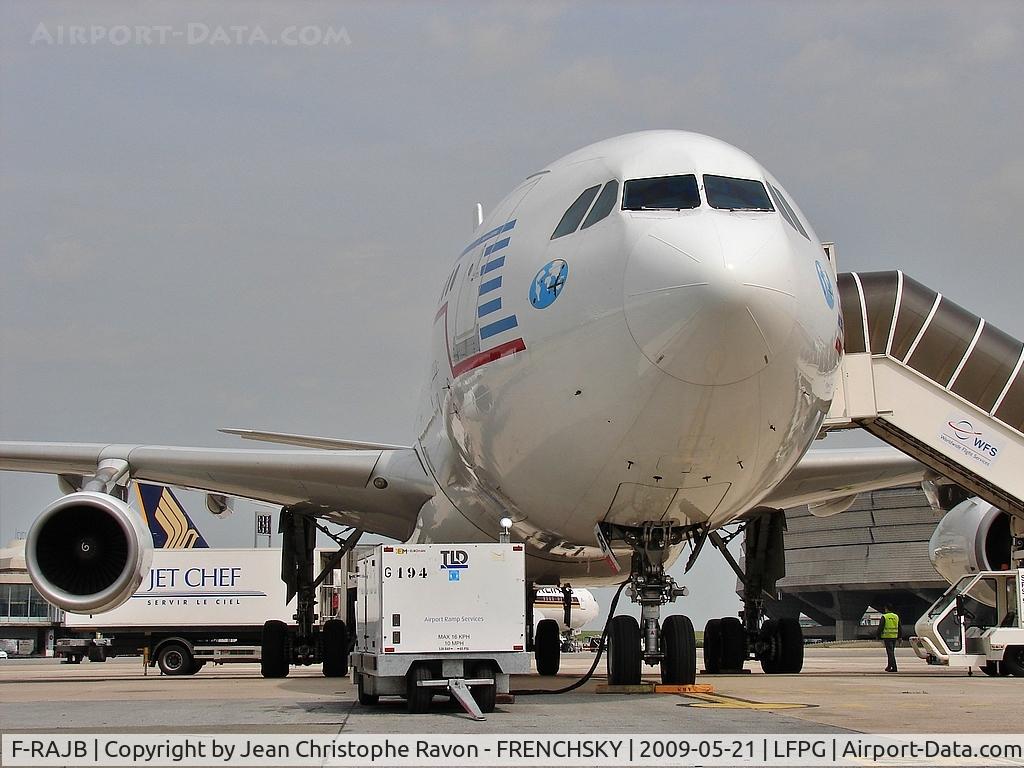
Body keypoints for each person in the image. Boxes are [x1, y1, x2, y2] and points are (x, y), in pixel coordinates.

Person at [877, 604, 901, 672]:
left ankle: (894, 667)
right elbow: (899, 627)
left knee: (890, 653)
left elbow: (880, 627)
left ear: (886, 609)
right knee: (891, 652)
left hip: (887, 637)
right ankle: (889, 666)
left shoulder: (884, 617)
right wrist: (900, 637)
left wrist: (878, 635)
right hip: (894, 637)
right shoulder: (896, 616)